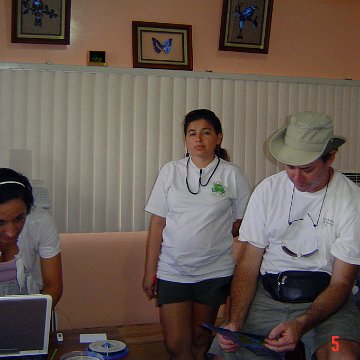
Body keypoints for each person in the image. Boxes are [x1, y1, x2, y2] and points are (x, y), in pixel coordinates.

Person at [208, 111, 360, 359]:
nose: (297, 178)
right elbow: (248, 266)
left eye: (308, 169)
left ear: (330, 157)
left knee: (340, 352)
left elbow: (342, 283)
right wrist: (235, 321)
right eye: (290, 167)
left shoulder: (352, 201)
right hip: (267, 299)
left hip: (327, 307)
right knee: (225, 353)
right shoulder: (267, 191)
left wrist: (302, 323)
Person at [143, 109, 251, 360]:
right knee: (176, 343)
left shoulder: (232, 174)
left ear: (219, 137)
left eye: (206, 132)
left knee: (201, 339)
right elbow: (157, 224)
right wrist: (150, 271)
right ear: (185, 139)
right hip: (173, 270)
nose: (199, 139)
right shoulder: (170, 171)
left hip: (214, 272)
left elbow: (243, 222)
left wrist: (217, 233)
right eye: (192, 133)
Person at [0, 168, 63, 307]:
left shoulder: (40, 221)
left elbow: (54, 286)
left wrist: (34, 318)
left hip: (29, 306)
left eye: (19, 219)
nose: (11, 232)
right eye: (1, 222)